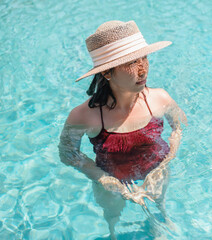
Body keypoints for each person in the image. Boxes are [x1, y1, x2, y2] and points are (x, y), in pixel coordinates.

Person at [58, 20, 187, 238]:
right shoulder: (84, 116)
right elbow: (68, 154)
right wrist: (107, 181)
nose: (142, 69)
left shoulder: (159, 99)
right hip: (110, 177)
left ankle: (162, 218)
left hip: (156, 170)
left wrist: (164, 166)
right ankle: (112, 233)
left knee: (159, 202)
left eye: (144, 57)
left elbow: (179, 127)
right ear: (107, 73)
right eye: (131, 62)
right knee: (112, 214)